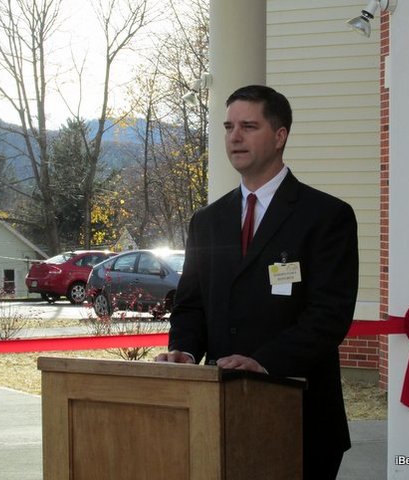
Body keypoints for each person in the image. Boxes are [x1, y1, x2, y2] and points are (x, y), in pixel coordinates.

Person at [155, 84, 359, 479]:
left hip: (300, 417)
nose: (235, 136)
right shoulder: (207, 221)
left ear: (280, 136)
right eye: (228, 127)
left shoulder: (326, 216)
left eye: (248, 126)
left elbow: (329, 315)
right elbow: (191, 304)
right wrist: (184, 350)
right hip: (218, 415)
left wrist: (265, 362)